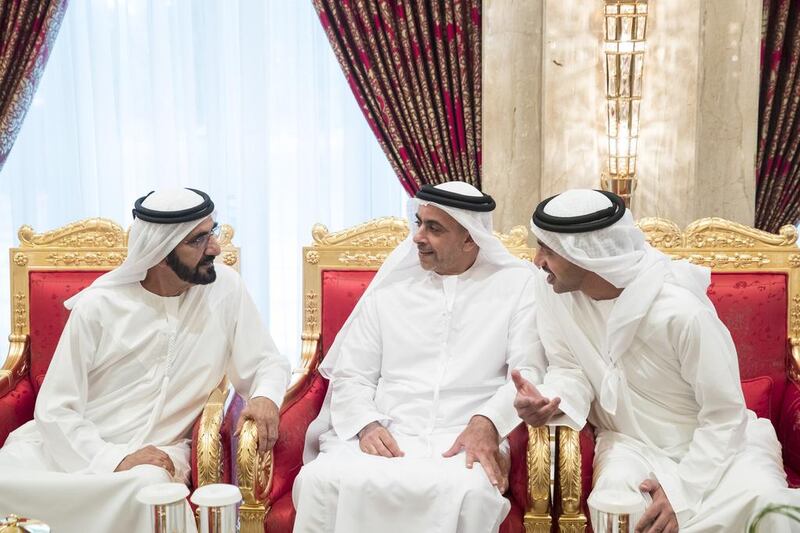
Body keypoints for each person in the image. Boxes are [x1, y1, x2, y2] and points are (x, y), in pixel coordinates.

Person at [0, 188, 290, 532]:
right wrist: (114, 458)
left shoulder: (226, 289)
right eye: (198, 240)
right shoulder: (98, 307)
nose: (215, 247)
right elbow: (54, 409)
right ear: (160, 252)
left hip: (158, 455)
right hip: (73, 450)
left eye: (212, 232)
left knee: (149, 490)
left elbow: (266, 362)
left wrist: (264, 396)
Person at [513, 188, 798, 532]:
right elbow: (569, 368)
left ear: (586, 256)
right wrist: (551, 400)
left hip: (719, 448)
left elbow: (725, 416)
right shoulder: (552, 291)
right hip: (629, 445)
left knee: (767, 505)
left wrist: (681, 493)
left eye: (547, 249)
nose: (537, 260)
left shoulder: (681, 313)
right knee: (617, 504)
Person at [293, 181, 546, 533]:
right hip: (390, 430)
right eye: (419, 223)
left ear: (470, 238)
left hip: (463, 437)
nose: (417, 237)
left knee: (470, 494)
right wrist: (367, 424)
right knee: (318, 481)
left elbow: (528, 371)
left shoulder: (517, 287)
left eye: (434, 228)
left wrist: (488, 422)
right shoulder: (390, 292)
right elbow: (352, 375)